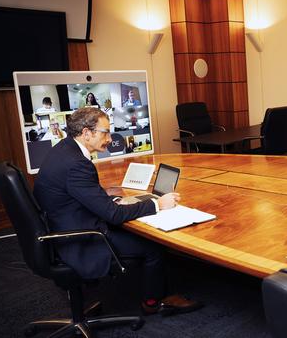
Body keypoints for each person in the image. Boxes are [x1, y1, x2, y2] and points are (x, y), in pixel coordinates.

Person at [33, 107, 201, 315]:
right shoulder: (77, 164)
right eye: (105, 132)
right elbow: (113, 215)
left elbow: (77, 195)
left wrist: (110, 200)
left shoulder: (64, 150)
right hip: (81, 239)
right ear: (87, 133)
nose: (110, 138)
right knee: (153, 247)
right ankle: (154, 302)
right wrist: (157, 204)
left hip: (61, 227)